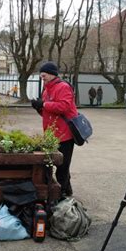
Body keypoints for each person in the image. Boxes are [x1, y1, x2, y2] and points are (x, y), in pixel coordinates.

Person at [31, 61, 78, 198]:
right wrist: (39, 108)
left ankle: (61, 194)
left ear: (52, 74)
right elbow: (47, 112)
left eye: (44, 74)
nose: (42, 77)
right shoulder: (46, 89)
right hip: (51, 133)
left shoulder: (63, 87)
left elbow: (64, 107)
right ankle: (66, 190)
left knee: (62, 166)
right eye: (41, 75)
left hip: (65, 134)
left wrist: (44, 104)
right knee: (53, 163)